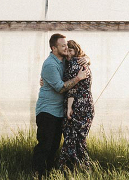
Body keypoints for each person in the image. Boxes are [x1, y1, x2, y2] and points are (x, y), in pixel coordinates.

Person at [32, 33, 88, 177]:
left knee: (54, 145)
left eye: (66, 46)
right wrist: (78, 78)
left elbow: (80, 58)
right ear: (53, 48)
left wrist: (87, 59)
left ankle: (48, 173)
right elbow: (60, 88)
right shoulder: (50, 64)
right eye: (63, 46)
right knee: (45, 144)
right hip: (47, 111)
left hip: (58, 111)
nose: (66, 47)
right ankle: (37, 173)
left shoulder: (63, 60)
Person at [56, 39, 94, 170]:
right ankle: (83, 167)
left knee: (71, 137)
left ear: (76, 50)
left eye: (70, 50)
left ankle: (64, 167)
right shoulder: (84, 63)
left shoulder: (73, 64)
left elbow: (73, 89)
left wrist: (69, 108)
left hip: (77, 104)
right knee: (79, 138)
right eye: (67, 51)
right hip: (88, 104)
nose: (68, 54)